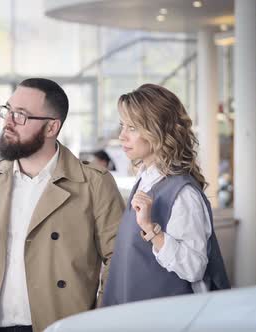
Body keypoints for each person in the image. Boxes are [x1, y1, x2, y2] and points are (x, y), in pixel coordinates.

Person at [0, 78, 125, 332]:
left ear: (51, 127)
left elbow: (118, 260)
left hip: (60, 326)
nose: (8, 122)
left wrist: (98, 323)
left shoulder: (94, 184)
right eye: (8, 111)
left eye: (21, 116)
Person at [101, 83, 230, 307]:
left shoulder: (184, 194)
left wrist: (152, 231)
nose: (122, 136)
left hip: (167, 317)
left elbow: (194, 268)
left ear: (158, 130)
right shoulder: (145, 179)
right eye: (123, 126)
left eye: (132, 128)